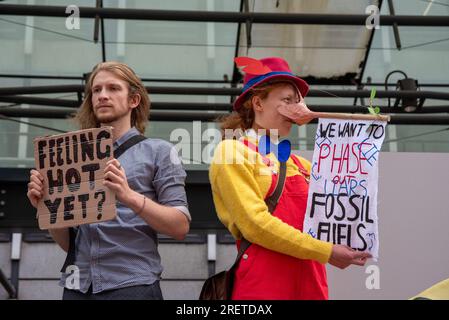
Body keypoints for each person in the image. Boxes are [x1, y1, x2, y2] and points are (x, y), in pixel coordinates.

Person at [209, 57, 371, 300]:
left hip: (311, 283)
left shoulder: (301, 165)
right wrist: (325, 251)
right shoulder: (232, 152)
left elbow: (336, 215)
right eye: (287, 100)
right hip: (263, 287)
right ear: (257, 103)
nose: (297, 110)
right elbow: (254, 225)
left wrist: (362, 140)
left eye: (299, 103)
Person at [26, 61, 191, 300]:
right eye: (97, 90)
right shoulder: (71, 155)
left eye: (113, 88)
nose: (103, 95)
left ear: (134, 100)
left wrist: (128, 196)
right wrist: (48, 206)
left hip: (132, 286)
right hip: (77, 287)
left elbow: (180, 226)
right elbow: (68, 244)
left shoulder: (160, 151)